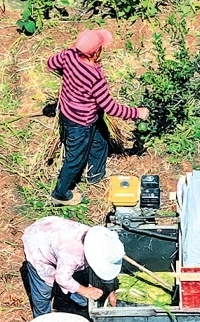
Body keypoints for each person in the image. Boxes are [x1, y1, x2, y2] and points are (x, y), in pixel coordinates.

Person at [46, 28, 150, 206]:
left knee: (100, 143)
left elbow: (50, 64)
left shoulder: (69, 54)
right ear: (95, 51)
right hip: (81, 123)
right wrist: (137, 113)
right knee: (75, 159)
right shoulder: (95, 77)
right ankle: (60, 193)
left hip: (68, 113)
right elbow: (110, 107)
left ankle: (94, 174)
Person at [21, 217, 125, 318]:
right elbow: (62, 278)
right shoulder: (73, 255)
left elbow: (103, 269)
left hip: (53, 230)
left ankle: (74, 294)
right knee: (43, 290)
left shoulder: (96, 239)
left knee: (72, 273)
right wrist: (85, 291)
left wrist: (111, 292)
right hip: (37, 244)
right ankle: (42, 318)